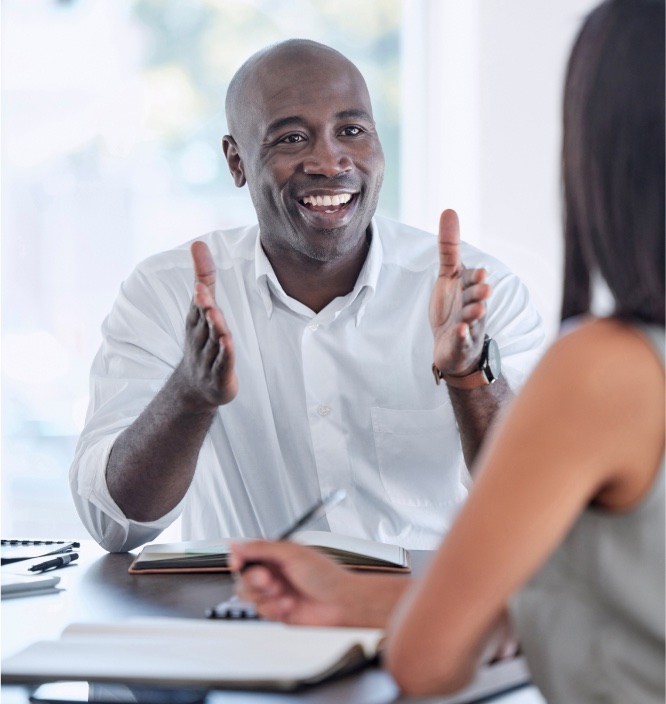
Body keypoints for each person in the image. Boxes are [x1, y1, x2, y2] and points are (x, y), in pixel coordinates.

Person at [231, 2, 665, 702]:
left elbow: (429, 662)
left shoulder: (608, 370)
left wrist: (435, 617)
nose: (329, 157)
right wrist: (357, 598)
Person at [70, 39, 544, 554]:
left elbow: (541, 505)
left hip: (425, 616)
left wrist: (470, 374)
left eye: (352, 131)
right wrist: (191, 392)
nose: (328, 161)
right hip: (243, 618)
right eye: (292, 138)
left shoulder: (478, 292)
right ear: (236, 161)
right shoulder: (166, 294)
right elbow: (114, 523)